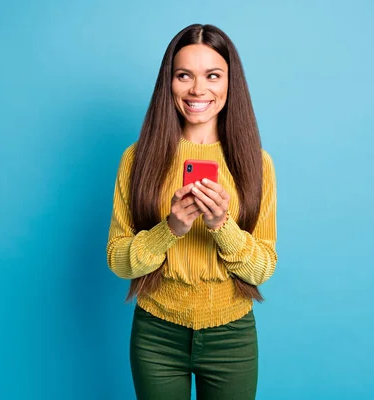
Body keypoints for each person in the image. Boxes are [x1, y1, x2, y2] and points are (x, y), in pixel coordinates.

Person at [106, 23, 277, 400]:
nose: (198, 90)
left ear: (231, 83)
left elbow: (263, 267)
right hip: (157, 335)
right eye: (184, 75)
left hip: (231, 336)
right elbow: (118, 261)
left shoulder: (256, 163)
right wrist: (169, 228)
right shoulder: (137, 160)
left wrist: (222, 226)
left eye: (212, 75)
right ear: (169, 82)